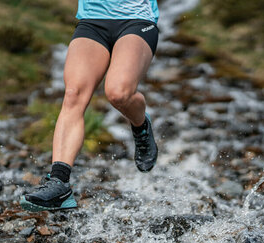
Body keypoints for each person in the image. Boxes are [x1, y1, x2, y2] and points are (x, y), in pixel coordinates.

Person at [20, 0, 160, 212]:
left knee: (119, 93)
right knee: (73, 94)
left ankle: (141, 126)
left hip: (137, 20)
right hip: (93, 21)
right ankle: (59, 183)